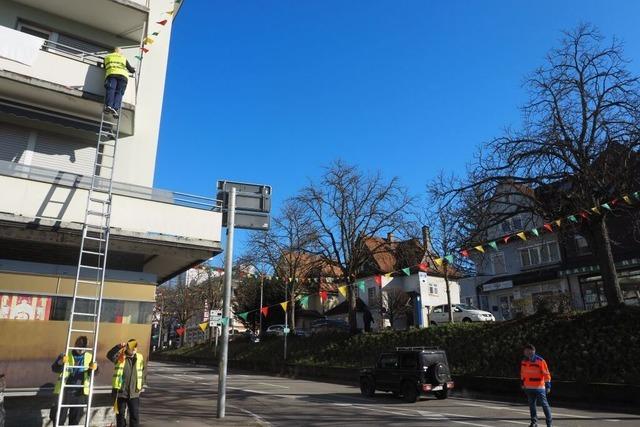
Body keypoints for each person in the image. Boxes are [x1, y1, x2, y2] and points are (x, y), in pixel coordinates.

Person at [51, 336, 97, 425]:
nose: (81, 350)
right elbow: (54, 368)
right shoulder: (65, 355)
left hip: (79, 393)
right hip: (65, 392)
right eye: (80, 347)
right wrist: (60, 362)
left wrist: (95, 368)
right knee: (58, 419)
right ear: (75, 345)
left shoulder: (89, 357)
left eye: (84, 348)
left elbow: (93, 373)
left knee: (75, 420)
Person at [107, 339, 144, 427]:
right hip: (120, 392)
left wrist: (140, 385)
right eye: (132, 347)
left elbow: (142, 371)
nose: (134, 349)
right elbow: (109, 355)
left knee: (134, 416)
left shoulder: (140, 357)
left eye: (135, 347)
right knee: (120, 416)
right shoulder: (120, 356)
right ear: (127, 347)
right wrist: (118, 347)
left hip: (134, 393)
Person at [520, 344, 553, 427]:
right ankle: (534, 422)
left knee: (544, 405)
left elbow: (546, 374)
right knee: (532, 406)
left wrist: (548, 386)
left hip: (539, 388)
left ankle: (549, 423)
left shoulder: (540, 361)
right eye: (525, 350)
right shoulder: (524, 361)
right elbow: (522, 374)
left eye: (528, 350)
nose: (526, 352)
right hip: (528, 387)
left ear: (532, 351)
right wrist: (522, 383)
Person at [103, 47, 135, 117]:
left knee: (111, 90)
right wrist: (134, 70)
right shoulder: (123, 58)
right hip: (123, 77)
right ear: (120, 52)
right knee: (119, 92)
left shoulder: (107, 57)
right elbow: (131, 70)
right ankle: (115, 108)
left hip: (112, 74)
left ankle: (109, 106)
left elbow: (104, 67)